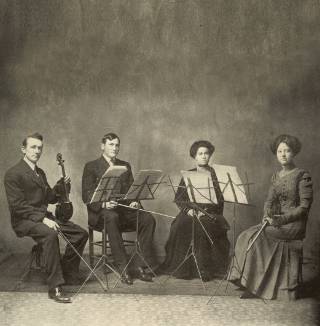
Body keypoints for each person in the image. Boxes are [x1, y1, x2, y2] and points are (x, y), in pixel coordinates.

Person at [4, 133, 88, 303]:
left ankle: (68, 272)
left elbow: (50, 197)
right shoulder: (13, 174)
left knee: (80, 234)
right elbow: (18, 206)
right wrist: (43, 219)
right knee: (50, 234)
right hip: (24, 220)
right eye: (33, 147)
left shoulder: (39, 173)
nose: (37, 151)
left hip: (42, 217)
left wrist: (61, 185)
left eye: (39, 148)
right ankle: (55, 287)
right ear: (24, 149)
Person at [228, 134, 313, 300]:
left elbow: (304, 208)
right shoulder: (276, 176)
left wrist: (279, 220)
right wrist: (267, 215)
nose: (283, 154)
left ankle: (258, 286)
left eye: (287, 151)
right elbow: (269, 200)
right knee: (245, 236)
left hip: (293, 225)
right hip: (277, 221)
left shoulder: (302, 176)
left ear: (294, 153)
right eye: (280, 151)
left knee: (258, 237)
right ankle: (252, 283)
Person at [82, 132, 156, 284]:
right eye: (111, 144)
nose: (115, 148)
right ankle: (123, 268)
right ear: (102, 146)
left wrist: (135, 201)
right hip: (101, 214)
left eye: (117, 145)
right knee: (111, 216)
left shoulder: (125, 165)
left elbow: (131, 190)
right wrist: (103, 204)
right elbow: (86, 196)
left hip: (122, 212)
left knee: (148, 218)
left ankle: (139, 266)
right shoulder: (91, 166)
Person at [158, 140, 230, 281]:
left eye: (206, 153)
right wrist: (188, 210)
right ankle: (181, 267)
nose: (203, 156)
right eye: (200, 154)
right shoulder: (188, 174)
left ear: (210, 156)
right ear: (195, 157)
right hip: (191, 211)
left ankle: (203, 269)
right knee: (179, 224)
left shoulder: (216, 175)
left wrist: (206, 211)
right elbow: (180, 198)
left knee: (202, 225)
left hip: (211, 213)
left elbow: (220, 200)